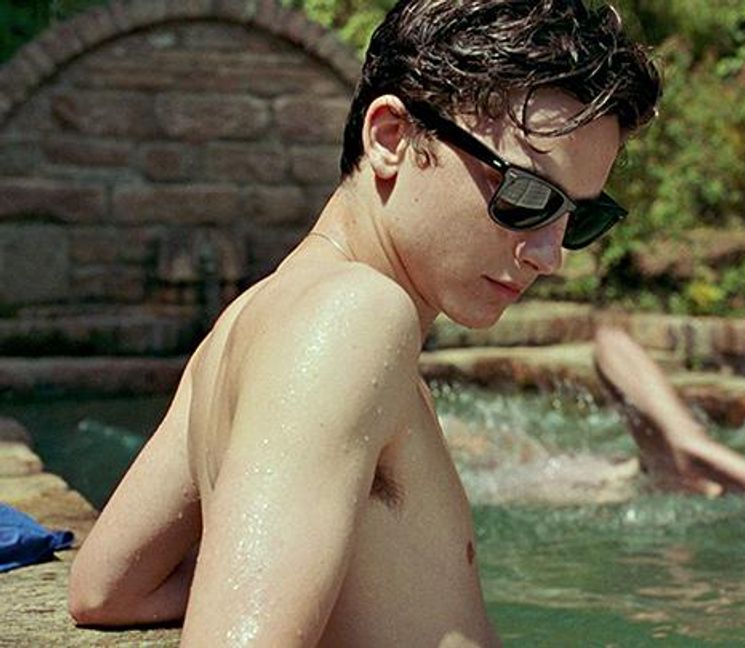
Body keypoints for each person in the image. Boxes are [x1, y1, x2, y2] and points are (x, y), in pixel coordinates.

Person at [67, 1, 660, 645]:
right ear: (391, 138)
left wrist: (287, 580)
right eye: (526, 196)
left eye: (578, 219)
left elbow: (108, 587)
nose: (549, 256)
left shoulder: (250, 318)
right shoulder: (353, 317)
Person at [593, 326, 745, 496]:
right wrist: (687, 436)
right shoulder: (665, 467)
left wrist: (692, 442)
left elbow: (611, 340)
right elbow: (611, 342)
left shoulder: (667, 475)